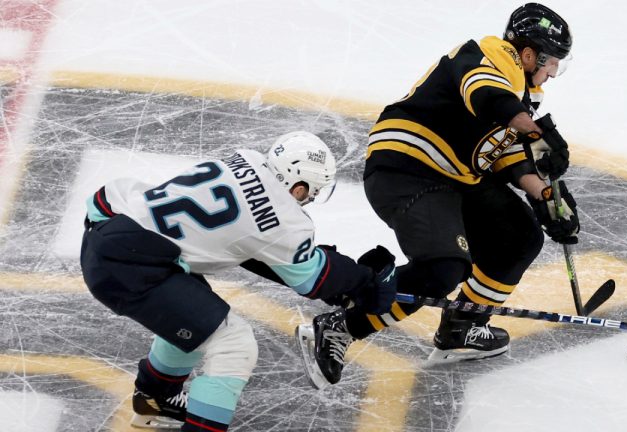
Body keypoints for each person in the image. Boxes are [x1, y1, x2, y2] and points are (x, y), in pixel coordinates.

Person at [297, 3, 580, 389]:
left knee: (519, 237)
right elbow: (485, 95)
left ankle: (462, 326)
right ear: (530, 53)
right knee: (443, 267)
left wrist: (546, 196)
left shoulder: (523, 95)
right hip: (406, 169)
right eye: (552, 63)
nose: (552, 73)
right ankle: (343, 325)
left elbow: (505, 155)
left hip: (456, 177)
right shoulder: (487, 55)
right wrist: (536, 135)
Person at [80, 131, 397, 431]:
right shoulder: (285, 219)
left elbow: (250, 244)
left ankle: (156, 399)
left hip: (112, 226)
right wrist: (365, 283)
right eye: (312, 191)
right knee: (234, 343)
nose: (309, 199)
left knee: (199, 323)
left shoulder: (244, 159)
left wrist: (335, 272)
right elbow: (312, 279)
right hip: (134, 265)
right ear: (298, 186)